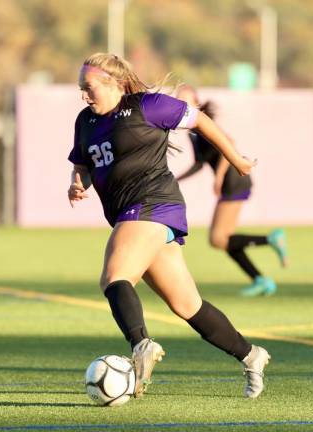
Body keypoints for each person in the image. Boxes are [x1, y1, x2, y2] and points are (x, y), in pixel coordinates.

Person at [67, 53, 270, 399]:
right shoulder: (85, 121)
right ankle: (251, 355)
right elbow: (82, 163)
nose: (84, 95)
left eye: (89, 88)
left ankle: (141, 345)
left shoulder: (148, 106)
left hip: (152, 203)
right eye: (81, 89)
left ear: (114, 84)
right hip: (132, 214)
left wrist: (235, 160)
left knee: (114, 277)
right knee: (187, 305)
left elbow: (201, 121)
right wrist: (76, 182)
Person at [175, 85, 288, 297]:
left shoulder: (202, 123)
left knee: (218, 238)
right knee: (223, 239)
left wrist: (218, 176)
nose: (179, 104)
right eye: (177, 99)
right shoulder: (192, 132)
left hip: (235, 180)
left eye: (185, 100)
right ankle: (260, 279)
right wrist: (175, 178)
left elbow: (230, 143)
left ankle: (271, 240)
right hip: (231, 182)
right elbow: (199, 164)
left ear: (196, 103)